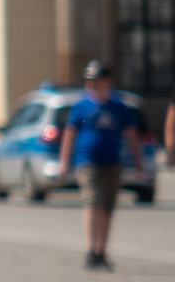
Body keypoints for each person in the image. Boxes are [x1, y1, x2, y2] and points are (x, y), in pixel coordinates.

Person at [58, 61, 144, 270]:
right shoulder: (81, 106)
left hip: (112, 163)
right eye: (90, 80)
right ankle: (91, 249)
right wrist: (64, 162)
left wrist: (138, 161)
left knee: (107, 208)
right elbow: (70, 134)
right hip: (87, 162)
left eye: (97, 80)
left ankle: (101, 250)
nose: (93, 84)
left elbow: (131, 135)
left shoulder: (118, 107)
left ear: (107, 81)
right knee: (92, 202)